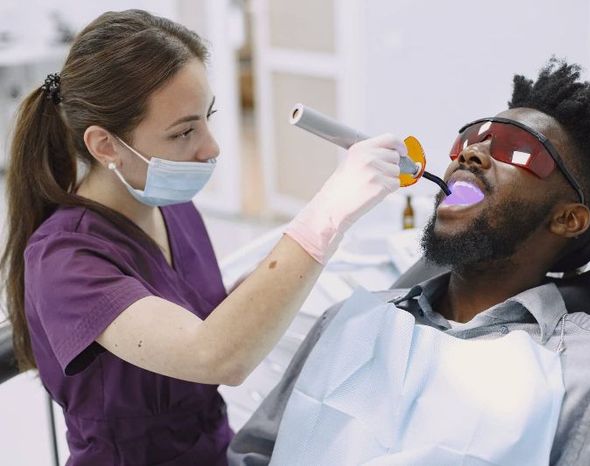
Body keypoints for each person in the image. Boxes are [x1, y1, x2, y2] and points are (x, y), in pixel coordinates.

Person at [227, 58, 590, 465]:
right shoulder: (346, 323)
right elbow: (254, 455)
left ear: (568, 218)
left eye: (516, 150)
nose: (471, 152)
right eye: (472, 137)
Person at [0, 9, 406, 465]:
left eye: (206, 117)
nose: (211, 147)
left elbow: (206, 315)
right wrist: (325, 215)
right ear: (104, 145)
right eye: (184, 131)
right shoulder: (65, 261)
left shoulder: (171, 207)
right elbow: (215, 355)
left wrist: (290, 278)